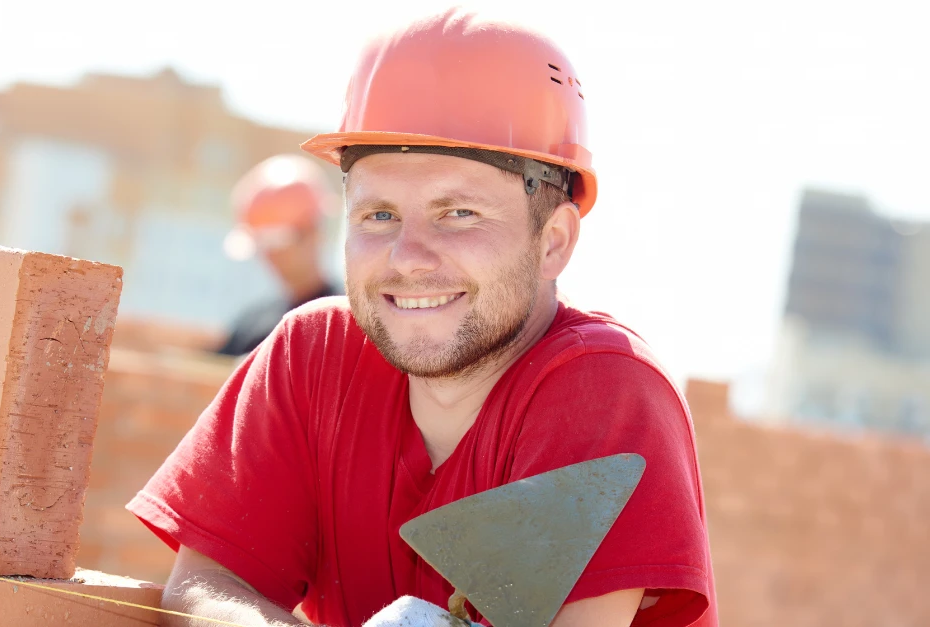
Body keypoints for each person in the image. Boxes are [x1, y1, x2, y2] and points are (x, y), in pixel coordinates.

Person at [129, 8, 717, 627]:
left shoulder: (604, 389)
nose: (407, 259)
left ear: (553, 241)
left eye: (458, 213)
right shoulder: (312, 356)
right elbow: (208, 583)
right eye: (378, 215)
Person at [216, 154, 341, 356]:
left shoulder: (346, 322)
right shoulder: (251, 323)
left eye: (276, 241)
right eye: (262, 244)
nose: (269, 255)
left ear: (312, 232)